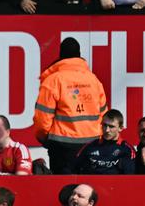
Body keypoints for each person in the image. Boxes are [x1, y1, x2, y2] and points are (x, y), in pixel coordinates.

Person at [32, 37, 107, 174]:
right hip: (92, 143)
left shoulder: (53, 80)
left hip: (61, 145)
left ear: (60, 56)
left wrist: (46, 139)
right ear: (79, 55)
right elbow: (103, 114)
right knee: (87, 189)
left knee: (63, 189)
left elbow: (42, 119)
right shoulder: (93, 80)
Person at [75, 109, 136, 175]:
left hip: (115, 184)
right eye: (104, 125)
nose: (107, 130)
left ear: (120, 128)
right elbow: (71, 169)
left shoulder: (127, 150)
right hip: (90, 184)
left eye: (111, 127)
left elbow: (130, 178)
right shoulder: (89, 146)